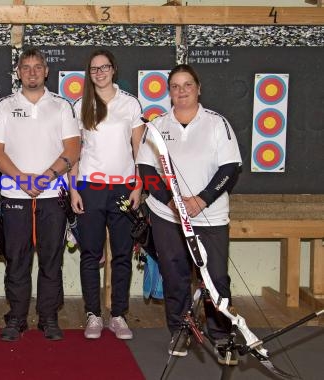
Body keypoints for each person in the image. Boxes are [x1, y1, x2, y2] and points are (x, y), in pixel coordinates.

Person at [136, 64, 242, 364]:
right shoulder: (157, 126)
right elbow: (146, 169)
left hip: (210, 216)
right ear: (169, 92)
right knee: (175, 275)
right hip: (167, 216)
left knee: (216, 278)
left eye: (187, 85)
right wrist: (169, 200)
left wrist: (202, 200)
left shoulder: (217, 124)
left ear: (198, 88)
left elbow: (230, 168)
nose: (181, 91)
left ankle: (221, 336)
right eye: (175, 86)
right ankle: (181, 330)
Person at [0, 48, 80, 341]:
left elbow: (73, 149)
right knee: (17, 259)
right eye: (25, 67)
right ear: (18, 72)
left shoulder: (62, 106)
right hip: (15, 195)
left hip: (53, 195)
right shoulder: (4, 106)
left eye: (37, 67)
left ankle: (49, 317)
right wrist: (21, 179)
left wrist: (46, 176)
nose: (31, 72)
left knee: (51, 260)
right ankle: (16, 317)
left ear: (46, 71)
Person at [68, 49, 144, 340]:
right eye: (94, 69)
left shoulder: (130, 104)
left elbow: (139, 150)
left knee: (122, 254)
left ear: (114, 70)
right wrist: (73, 187)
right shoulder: (80, 105)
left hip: (124, 189)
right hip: (89, 188)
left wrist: (138, 185)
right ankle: (93, 315)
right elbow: (74, 152)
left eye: (104, 67)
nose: (99, 73)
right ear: (89, 74)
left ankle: (118, 315)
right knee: (90, 254)